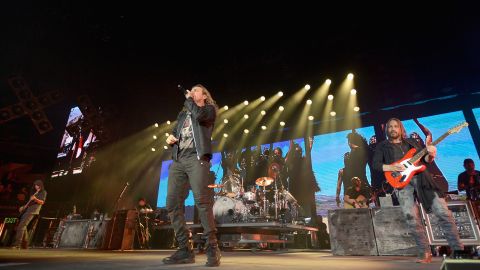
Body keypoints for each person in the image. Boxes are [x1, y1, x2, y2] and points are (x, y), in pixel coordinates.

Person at [373, 118, 463, 263]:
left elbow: (425, 160)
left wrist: (431, 154)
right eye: (390, 127)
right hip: (401, 183)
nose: (393, 129)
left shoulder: (412, 143)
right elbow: (376, 165)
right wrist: (392, 167)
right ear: (386, 130)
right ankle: (424, 253)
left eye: (396, 126)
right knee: (411, 218)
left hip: (423, 180)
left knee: (443, 212)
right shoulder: (382, 146)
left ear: (401, 129)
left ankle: (458, 249)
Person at [163, 84, 221, 267]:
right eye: (191, 91)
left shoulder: (209, 110)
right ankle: (184, 250)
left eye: (196, 90)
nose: (191, 92)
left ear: (204, 95)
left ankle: (212, 248)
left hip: (197, 159)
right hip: (179, 160)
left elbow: (199, 115)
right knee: (172, 204)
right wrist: (170, 139)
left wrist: (189, 101)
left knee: (202, 202)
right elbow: (174, 133)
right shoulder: (182, 114)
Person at [11, 179, 47, 249]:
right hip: (28, 210)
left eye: (38, 185)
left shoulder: (43, 192)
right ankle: (25, 245)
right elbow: (30, 202)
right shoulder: (34, 192)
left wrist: (35, 199)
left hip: (33, 210)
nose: (36, 186)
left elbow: (42, 202)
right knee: (23, 226)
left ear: (41, 185)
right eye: (35, 185)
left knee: (21, 226)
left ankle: (17, 244)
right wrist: (23, 207)